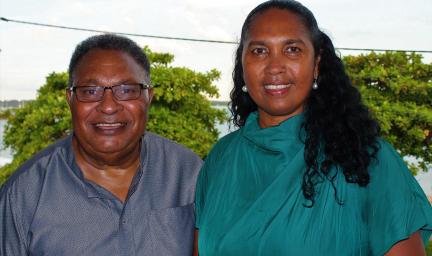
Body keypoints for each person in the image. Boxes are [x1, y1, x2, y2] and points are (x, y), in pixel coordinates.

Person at [194, 1, 432, 255]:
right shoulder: (220, 158)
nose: (275, 67)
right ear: (243, 64)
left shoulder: (366, 160)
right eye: (260, 51)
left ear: (316, 64)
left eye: (293, 49)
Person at [0, 34, 202, 255]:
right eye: (90, 91)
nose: (108, 107)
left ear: (148, 96)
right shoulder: (23, 194)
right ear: (70, 99)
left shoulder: (189, 173)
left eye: (126, 90)